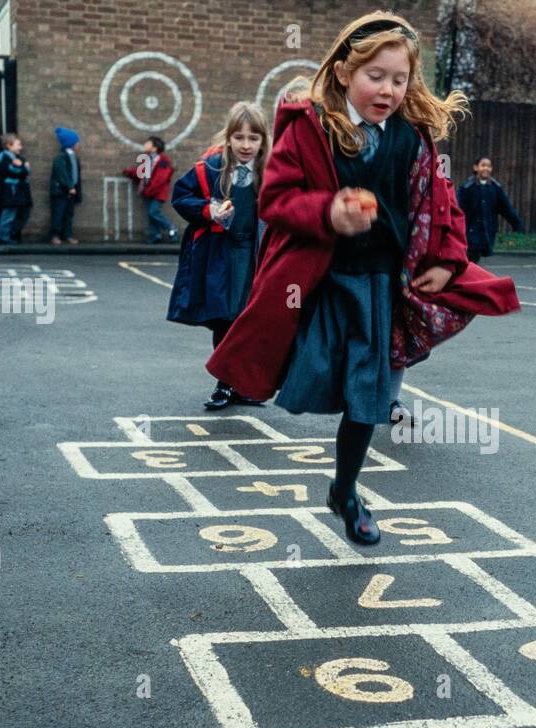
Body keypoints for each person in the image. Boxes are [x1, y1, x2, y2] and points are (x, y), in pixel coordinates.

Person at [205, 11, 520, 545]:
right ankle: (283, 402)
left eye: (400, 80)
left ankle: (345, 492)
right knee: (313, 374)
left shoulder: (412, 139)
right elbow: (277, 201)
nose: (389, 90)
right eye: (376, 75)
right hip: (321, 283)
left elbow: (441, 207)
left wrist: (446, 260)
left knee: (369, 397)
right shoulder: (308, 125)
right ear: (346, 70)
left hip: (380, 284)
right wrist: (329, 212)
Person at [167, 102, 269, 410]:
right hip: (221, 256)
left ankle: (241, 385)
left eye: (254, 138)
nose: (246, 145)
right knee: (225, 320)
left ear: (264, 140)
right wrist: (209, 210)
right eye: (239, 137)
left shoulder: (271, 172)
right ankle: (224, 383)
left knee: (248, 321)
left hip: (255, 256)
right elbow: (181, 197)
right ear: (229, 138)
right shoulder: (210, 167)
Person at [457, 156, 524, 263]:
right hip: (469, 232)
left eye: (489, 166)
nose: (486, 168)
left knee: (473, 261)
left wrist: (517, 224)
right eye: (483, 165)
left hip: (486, 231)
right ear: (476, 168)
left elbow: (506, 208)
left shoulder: (495, 188)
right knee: (469, 259)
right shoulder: (467, 188)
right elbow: (458, 209)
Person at [122, 135, 177, 244]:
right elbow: (141, 173)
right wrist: (129, 172)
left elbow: (161, 179)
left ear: (155, 148)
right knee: (150, 214)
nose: (145, 145)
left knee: (153, 212)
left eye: (148, 143)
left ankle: (171, 228)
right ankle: (155, 235)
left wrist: (150, 189)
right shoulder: (147, 159)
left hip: (157, 193)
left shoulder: (163, 161)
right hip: (149, 192)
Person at [0, 133, 31, 245]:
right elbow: (15, 171)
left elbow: (25, 171)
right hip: (10, 191)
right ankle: (4, 237)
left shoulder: (17, 158)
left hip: (19, 190)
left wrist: (23, 167)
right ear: (9, 146)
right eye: (18, 144)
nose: (21, 147)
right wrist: (22, 167)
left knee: (22, 213)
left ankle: (11, 234)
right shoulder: (3, 157)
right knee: (8, 215)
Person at [49, 126, 82, 244]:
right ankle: (55, 235)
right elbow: (62, 174)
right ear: (70, 143)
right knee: (58, 213)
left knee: (69, 214)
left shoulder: (74, 157)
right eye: (76, 142)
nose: (78, 144)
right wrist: (70, 186)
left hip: (71, 192)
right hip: (61, 191)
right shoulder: (60, 158)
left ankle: (67, 235)